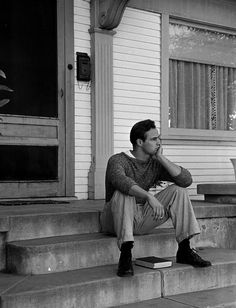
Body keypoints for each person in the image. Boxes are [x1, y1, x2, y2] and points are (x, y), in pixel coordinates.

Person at [100, 119, 211, 277]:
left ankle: (185, 249)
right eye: (154, 139)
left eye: (159, 138)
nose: (158, 142)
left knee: (178, 190)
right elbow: (121, 181)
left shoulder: (154, 163)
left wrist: (161, 159)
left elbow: (186, 181)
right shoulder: (118, 160)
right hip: (114, 218)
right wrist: (148, 197)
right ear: (139, 142)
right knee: (124, 192)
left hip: (140, 218)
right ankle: (125, 255)